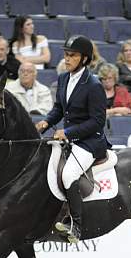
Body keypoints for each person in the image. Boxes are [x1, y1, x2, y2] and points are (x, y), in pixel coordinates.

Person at [34, 35, 110, 243]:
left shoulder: (93, 85)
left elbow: (97, 122)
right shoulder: (63, 78)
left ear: (84, 59)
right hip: (70, 140)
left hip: (89, 142)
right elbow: (59, 108)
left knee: (68, 175)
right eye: (66, 55)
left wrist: (68, 133)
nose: (67, 59)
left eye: (72, 56)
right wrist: (46, 123)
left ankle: (76, 225)